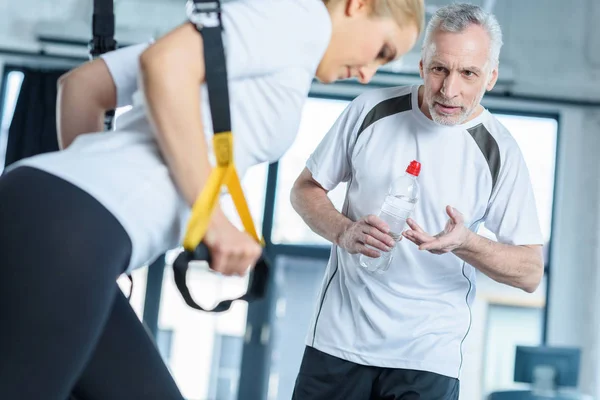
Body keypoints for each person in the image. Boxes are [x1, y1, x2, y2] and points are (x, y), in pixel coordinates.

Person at [0, 0, 424, 399]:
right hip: (67, 226)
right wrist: (213, 221)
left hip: (61, 220)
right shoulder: (303, 19)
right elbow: (162, 64)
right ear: (358, 5)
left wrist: (85, 206)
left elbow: (82, 86)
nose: (370, 73)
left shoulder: (269, 40)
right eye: (383, 51)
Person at [290, 3, 544, 399]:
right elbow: (305, 189)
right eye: (440, 68)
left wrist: (466, 243)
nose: (449, 89)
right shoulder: (369, 110)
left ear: (490, 77)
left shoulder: (500, 151)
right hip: (338, 342)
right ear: (422, 64)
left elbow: (529, 272)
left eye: (468, 73)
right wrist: (344, 230)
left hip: (427, 358)